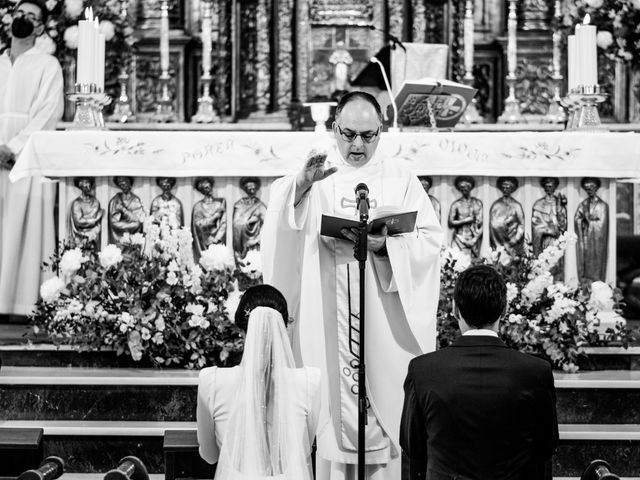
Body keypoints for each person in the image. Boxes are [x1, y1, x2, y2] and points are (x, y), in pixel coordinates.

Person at [262, 91, 443, 480]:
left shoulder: (400, 177)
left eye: (368, 135)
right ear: (333, 129)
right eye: (348, 134)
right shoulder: (316, 172)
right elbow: (281, 223)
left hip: (380, 309)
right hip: (328, 312)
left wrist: (385, 246)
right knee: (332, 416)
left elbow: (430, 242)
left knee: (380, 423)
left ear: (381, 131)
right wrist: (303, 188)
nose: (358, 145)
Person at [400, 265, 559, 480]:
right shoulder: (536, 372)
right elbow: (546, 445)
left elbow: (413, 446)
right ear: (504, 309)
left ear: (455, 308)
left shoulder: (423, 371)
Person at [197, 284, 321, 479]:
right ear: (284, 327)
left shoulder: (211, 381)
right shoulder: (310, 382)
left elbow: (210, 456)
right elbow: (304, 450)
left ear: (242, 329)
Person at [0, 0, 64, 315]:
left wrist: (11, 147)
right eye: (19, 13)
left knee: (19, 229)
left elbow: (48, 113)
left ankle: (17, 303)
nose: (23, 19)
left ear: (39, 27)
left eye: (31, 16)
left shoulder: (47, 65)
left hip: (23, 162)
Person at [575, 177, 608, 285]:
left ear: (596, 188)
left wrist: (589, 220)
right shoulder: (583, 204)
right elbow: (577, 219)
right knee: (585, 261)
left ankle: (597, 282)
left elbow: (602, 224)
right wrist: (582, 221)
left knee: (596, 260)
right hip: (585, 239)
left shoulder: (602, 205)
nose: (589, 191)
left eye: (591, 188)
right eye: (587, 189)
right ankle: (585, 282)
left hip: (597, 240)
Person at [192, 176, 227, 259]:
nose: (209, 189)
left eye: (209, 186)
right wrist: (214, 217)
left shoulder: (219, 204)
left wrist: (217, 238)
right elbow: (198, 225)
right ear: (201, 190)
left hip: (218, 240)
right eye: (205, 188)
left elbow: (223, 223)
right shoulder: (198, 206)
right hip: (205, 239)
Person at [448, 176, 483, 259]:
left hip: (473, 237)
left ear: (471, 187)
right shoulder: (456, 204)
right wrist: (465, 220)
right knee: (457, 261)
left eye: (467, 187)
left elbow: (481, 224)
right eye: (462, 187)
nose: (465, 189)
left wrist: (474, 240)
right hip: (459, 237)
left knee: (473, 264)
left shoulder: (477, 203)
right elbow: (451, 222)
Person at [489, 176, 524, 257]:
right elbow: (492, 224)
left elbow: (522, 224)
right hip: (498, 239)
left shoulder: (516, 205)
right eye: (503, 188)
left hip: (512, 238)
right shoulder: (496, 204)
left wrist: (516, 238)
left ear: (512, 189)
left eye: (507, 188)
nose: (505, 190)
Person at [232, 177, 266, 259]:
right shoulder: (239, 204)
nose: (251, 188)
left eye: (253, 186)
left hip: (257, 238)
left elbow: (267, 222)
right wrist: (248, 221)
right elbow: (236, 223)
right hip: (243, 239)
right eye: (249, 186)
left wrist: (257, 239)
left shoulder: (260, 204)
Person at [108, 176, 145, 244]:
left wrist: (123, 209)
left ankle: (132, 242)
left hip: (133, 225)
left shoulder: (135, 199)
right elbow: (114, 220)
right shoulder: (115, 199)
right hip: (120, 226)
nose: (123, 186)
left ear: (130, 183)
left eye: (125, 183)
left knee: (137, 224)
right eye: (120, 184)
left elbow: (137, 219)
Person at [69, 177, 103, 249]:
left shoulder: (95, 201)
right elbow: (79, 221)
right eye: (85, 187)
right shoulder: (76, 203)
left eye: (89, 186)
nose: (88, 188)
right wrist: (95, 219)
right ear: (81, 188)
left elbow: (95, 216)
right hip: (80, 235)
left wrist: (89, 219)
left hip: (94, 234)